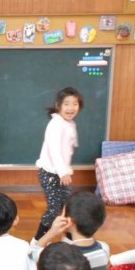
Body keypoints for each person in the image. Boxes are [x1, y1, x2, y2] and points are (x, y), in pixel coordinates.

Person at [29, 191, 109, 270]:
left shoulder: (60, 253)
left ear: (69, 221)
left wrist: (52, 232)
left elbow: (32, 252)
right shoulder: (104, 248)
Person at [34, 87, 83, 241]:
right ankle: (37, 241)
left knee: (65, 207)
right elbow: (54, 150)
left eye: (75, 103)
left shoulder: (69, 123)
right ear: (58, 106)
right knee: (54, 209)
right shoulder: (56, 124)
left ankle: (69, 239)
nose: (71, 108)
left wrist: (64, 171)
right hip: (51, 173)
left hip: (60, 173)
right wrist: (63, 172)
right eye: (66, 104)